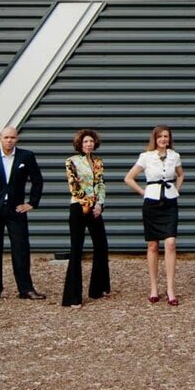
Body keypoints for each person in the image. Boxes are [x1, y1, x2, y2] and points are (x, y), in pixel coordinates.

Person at [0, 126, 45, 305]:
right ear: (0, 139)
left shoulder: (26, 157)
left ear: (17, 139)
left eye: (12, 137)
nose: (9, 140)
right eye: (6, 137)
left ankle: (26, 289)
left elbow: (37, 181)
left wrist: (32, 203)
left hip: (16, 210)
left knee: (21, 249)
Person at [125, 125, 184, 306]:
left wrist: (176, 190)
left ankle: (171, 289)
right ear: (155, 139)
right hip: (151, 202)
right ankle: (153, 287)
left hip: (170, 202)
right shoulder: (146, 157)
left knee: (171, 243)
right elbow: (128, 178)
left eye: (166, 136)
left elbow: (181, 175)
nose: (163, 139)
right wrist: (143, 192)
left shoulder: (175, 156)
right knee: (152, 245)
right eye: (160, 137)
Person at [61, 128, 110, 307]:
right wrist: (88, 203)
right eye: (85, 142)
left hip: (95, 207)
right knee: (77, 248)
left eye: (91, 141)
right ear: (80, 144)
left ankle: (98, 288)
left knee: (101, 244)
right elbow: (73, 185)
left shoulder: (97, 161)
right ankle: (73, 296)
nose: (88, 144)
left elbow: (100, 183)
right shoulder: (71, 161)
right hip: (78, 207)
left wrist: (99, 204)